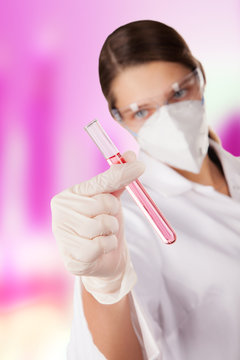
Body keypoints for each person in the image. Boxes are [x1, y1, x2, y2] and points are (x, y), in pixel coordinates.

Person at [51, 20, 240, 360]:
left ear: (200, 78)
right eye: (142, 111)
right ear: (119, 119)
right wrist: (105, 290)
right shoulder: (127, 223)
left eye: (179, 93)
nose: (170, 118)